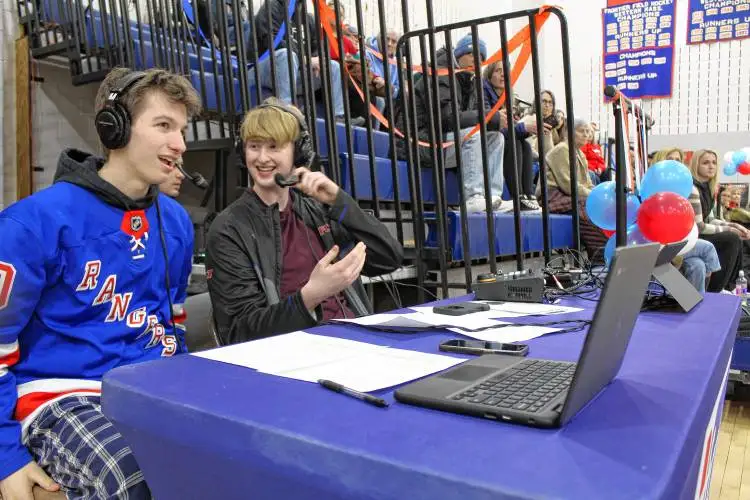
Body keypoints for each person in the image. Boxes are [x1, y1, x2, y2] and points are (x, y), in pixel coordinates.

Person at [0, 67, 199, 499]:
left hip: (149, 385)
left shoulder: (177, 224)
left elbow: (174, 324)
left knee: (247, 453)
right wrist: (5, 457)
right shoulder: (30, 224)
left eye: (182, 130)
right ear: (116, 128)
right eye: (163, 125)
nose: (180, 144)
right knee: (134, 476)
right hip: (61, 396)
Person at [205, 99, 403, 345]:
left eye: (274, 146)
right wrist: (311, 295)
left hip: (357, 343)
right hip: (293, 359)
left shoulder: (318, 210)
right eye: (254, 146)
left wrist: (339, 201)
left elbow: (388, 258)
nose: (262, 158)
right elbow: (239, 332)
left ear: (298, 153)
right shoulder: (229, 229)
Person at [397, 34, 508, 213]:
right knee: (472, 134)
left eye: (481, 57)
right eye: (473, 54)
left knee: (496, 138)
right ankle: (473, 196)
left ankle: (493, 196)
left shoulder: (471, 82)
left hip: (445, 143)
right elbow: (447, 120)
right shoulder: (440, 73)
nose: (477, 60)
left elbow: (481, 115)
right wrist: (491, 117)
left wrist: (499, 120)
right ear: (459, 54)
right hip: (420, 143)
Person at [541, 119, 608, 260]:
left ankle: (602, 253)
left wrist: (598, 196)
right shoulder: (561, 150)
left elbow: (588, 184)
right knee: (584, 206)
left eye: (588, 131)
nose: (586, 134)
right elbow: (568, 185)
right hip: (553, 195)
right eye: (581, 131)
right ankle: (599, 255)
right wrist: (593, 196)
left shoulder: (580, 154)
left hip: (570, 195)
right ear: (569, 132)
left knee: (597, 206)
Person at [482, 61, 544, 211]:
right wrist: (522, 127)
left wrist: (529, 129)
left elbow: (509, 128)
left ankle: (528, 196)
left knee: (526, 145)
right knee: (513, 143)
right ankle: (518, 196)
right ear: (489, 75)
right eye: (498, 71)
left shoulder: (506, 97)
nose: (503, 74)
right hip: (485, 140)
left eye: (506, 71)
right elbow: (490, 126)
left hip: (500, 139)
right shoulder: (483, 91)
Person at [688, 149, 747, 291]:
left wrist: (736, 226)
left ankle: (731, 285)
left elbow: (712, 219)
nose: (711, 166)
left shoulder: (710, 188)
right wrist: (730, 229)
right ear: (696, 165)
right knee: (731, 238)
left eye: (714, 163)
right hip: (691, 236)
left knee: (737, 236)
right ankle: (716, 290)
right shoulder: (693, 189)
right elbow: (700, 227)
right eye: (705, 163)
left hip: (699, 232)